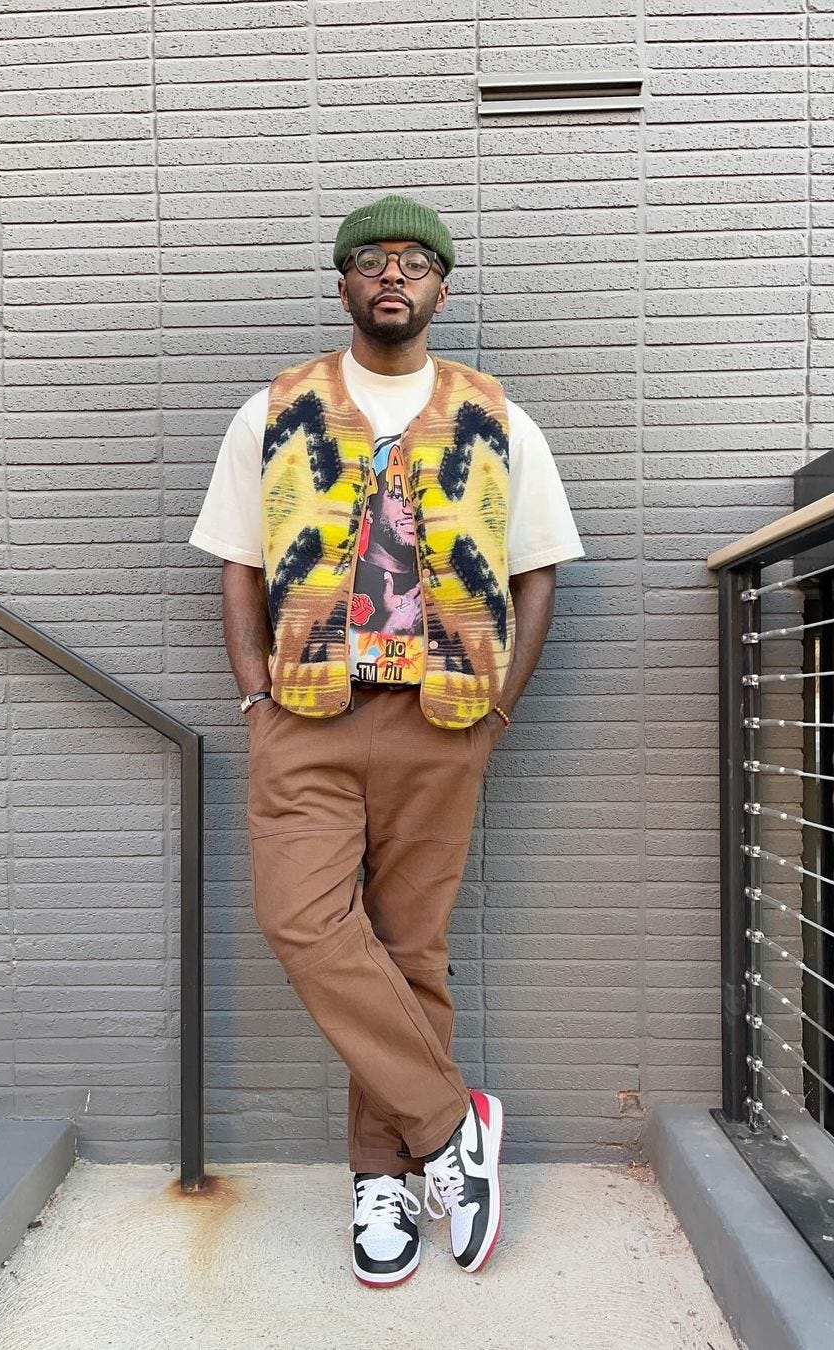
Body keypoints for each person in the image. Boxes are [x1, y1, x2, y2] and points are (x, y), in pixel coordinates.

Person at [189, 194, 584, 1286]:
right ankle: (454, 1124)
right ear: (345, 283)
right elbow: (235, 560)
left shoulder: (497, 414)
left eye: (414, 262)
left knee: (411, 949)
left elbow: (538, 569)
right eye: (372, 261)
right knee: (303, 921)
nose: (393, 276)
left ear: (442, 288)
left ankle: (386, 1180)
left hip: (444, 716)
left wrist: (498, 706)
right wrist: (251, 699)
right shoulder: (275, 409)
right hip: (305, 713)